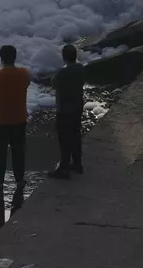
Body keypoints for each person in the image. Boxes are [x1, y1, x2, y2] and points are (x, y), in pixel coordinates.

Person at [0, 45, 30, 191]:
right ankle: (20, 179)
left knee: (1, 151)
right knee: (18, 150)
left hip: (0, 119)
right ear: (15, 57)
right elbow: (27, 82)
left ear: (1, 58)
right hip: (19, 118)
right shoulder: (24, 73)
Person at [48, 44, 86, 179]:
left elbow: (53, 83)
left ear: (64, 57)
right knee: (75, 136)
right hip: (77, 108)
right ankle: (77, 163)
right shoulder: (81, 69)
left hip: (64, 110)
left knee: (64, 139)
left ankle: (63, 168)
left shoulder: (61, 73)